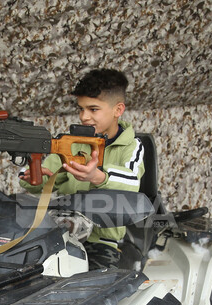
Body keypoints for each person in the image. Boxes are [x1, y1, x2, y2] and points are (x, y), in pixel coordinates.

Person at [20, 68, 145, 268]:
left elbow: (132, 181)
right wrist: (35, 177)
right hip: (64, 234)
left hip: (103, 243)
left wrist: (98, 176)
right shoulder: (74, 142)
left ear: (118, 110)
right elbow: (46, 179)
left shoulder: (131, 146)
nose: (84, 116)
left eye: (93, 109)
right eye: (81, 109)